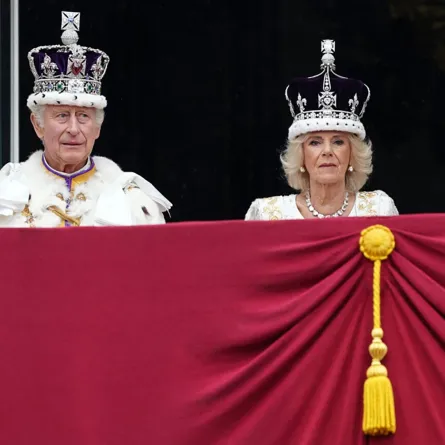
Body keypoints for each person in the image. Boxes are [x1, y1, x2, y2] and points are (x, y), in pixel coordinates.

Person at [0, 11, 171, 227]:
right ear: (38, 125)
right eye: (62, 115)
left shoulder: (132, 200)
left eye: (83, 116)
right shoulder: (6, 191)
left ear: (97, 128)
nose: (73, 129)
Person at [245, 39, 398, 221]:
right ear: (301, 153)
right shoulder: (267, 215)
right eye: (315, 142)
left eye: (338, 141)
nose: (327, 151)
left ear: (352, 153)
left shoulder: (379, 210)